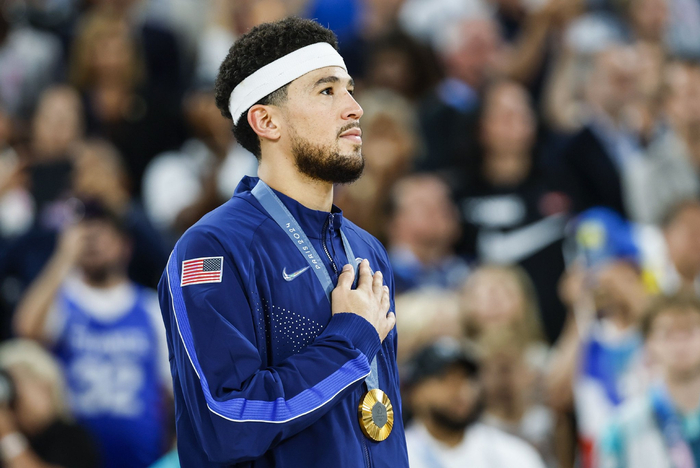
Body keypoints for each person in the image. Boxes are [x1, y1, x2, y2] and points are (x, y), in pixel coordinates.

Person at [158, 17, 407, 467]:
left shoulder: (367, 250)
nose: (355, 108)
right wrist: (349, 343)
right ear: (266, 121)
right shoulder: (212, 248)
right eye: (327, 91)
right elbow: (228, 421)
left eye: (350, 90)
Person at [13, 204, 172, 468]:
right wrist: (63, 258)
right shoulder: (62, 302)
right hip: (74, 457)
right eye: (85, 237)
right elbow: (26, 329)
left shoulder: (151, 307)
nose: (93, 243)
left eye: (102, 235)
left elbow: (170, 391)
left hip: (145, 458)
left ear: (125, 245)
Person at [403, 337, 547, 468]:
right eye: (445, 379)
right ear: (415, 392)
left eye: (465, 378)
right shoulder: (400, 455)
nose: (460, 389)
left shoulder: (509, 453)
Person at [598, 294, 700, 468]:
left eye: (690, 330)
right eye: (668, 333)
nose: (680, 342)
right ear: (649, 342)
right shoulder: (621, 429)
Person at [0, 339, 100, 468]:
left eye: (22, 381)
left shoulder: (72, 438)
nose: (17, 396)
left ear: (47, 386)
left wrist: (9, 438)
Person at [385, 174, 469, 293]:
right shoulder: (378, 276)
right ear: (394, 222)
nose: (440, 211)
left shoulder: (471, 275)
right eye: (423, 205)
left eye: (445, 203)